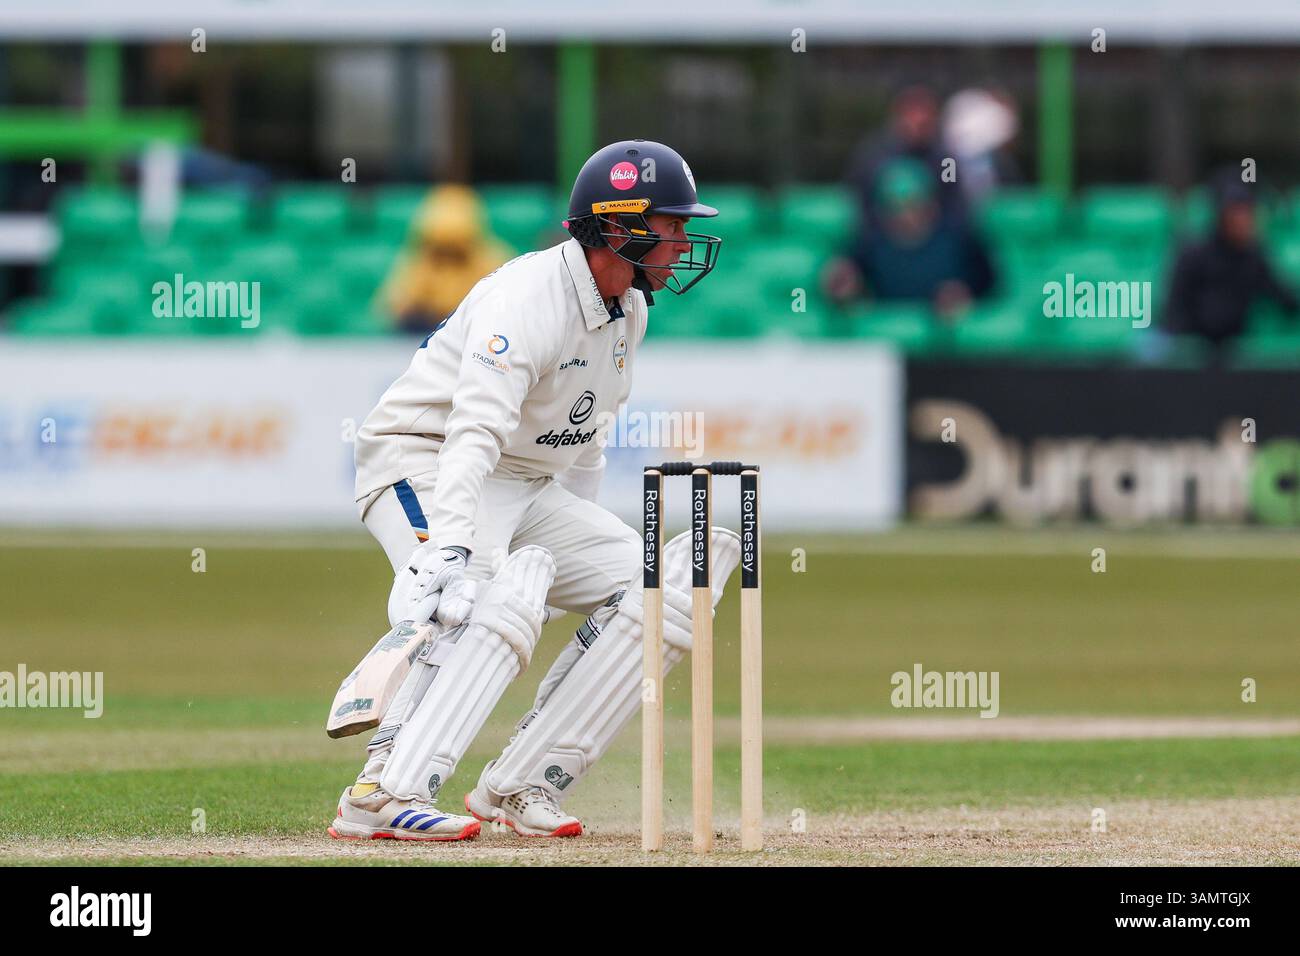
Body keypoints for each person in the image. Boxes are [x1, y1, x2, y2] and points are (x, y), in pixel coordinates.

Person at [328, 140, 738, 842]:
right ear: (619, 228)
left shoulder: (628, 310)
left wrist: (568, 554)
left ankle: (522, 781)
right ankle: (378, 792)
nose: (682, 242)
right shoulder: (526, 298)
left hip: (524, 482)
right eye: (670, 226)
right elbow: (473, 432)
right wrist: (452, 550)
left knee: (655, 594)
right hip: (423, 460)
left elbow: (585, 442)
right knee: (469, 600)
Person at [824, 156, 995, 320]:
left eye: (911, 204)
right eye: (893, 206)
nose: (904, 215)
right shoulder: (870, 244)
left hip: (946, 344)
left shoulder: (959, 242)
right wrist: (844, 284)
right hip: (887, 340)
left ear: (931, 204)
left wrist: (965, 294)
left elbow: (990, 284)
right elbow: (847, 280)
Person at [1164, 170, 1299, 357]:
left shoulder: (1256, 258)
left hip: (1236, 356)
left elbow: (1285, 301)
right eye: (1236, 213)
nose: (1243, 221)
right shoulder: (1193, 254)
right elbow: (1175, 311)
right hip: (1194, 355)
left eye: (1247, 213)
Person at [379, 184, 511, 334]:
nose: (448, 255)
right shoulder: (419, 260)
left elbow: (504, 311)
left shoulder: (493, 261)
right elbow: (396, 310)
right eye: (441, 249)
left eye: (455, 249)